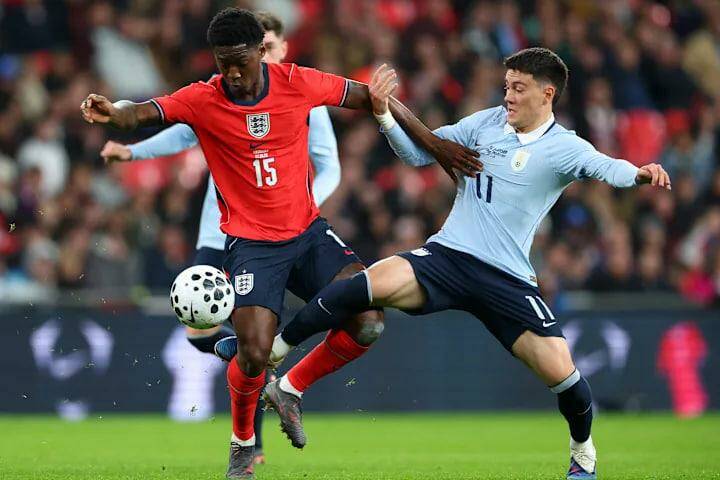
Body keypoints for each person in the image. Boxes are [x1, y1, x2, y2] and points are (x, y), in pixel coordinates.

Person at [81, 8, 480, 479]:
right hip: (251, 246)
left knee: (369, 321)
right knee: (253, 353)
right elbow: (144, 112)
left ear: (260, 52)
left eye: (240, 61)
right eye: (223, 63)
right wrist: (115, 114)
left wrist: (435, 145)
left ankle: (289, 388)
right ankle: (242, 445)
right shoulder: (203, 98)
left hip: (308, 234)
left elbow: (375, 99)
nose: (232, 73)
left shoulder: (299, 82)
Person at [263, 48, 672, 480]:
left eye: (519, 88)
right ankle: (280, 361)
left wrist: (639, 174)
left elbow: (607, 167)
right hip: (448, 257)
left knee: (565, 378)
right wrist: (383, 116)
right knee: (361, 285)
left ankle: (583, 451)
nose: (508, 96)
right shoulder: (485, 124)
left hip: (507, 279)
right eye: (507, 86)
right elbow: (418, 155)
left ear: (547, 93)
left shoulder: (564, 147)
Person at [98, 12, 341, 465]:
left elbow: (331, 167)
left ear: (277, 50)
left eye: (270, 47)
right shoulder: (217, 97)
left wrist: (298, 203)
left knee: (263, 340)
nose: (250, 62)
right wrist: (132, 151)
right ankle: (255, 372)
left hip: (288, 230)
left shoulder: (303, 95)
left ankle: (253, 439)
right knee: (200, 331)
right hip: (223, 231)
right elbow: (181, 130)